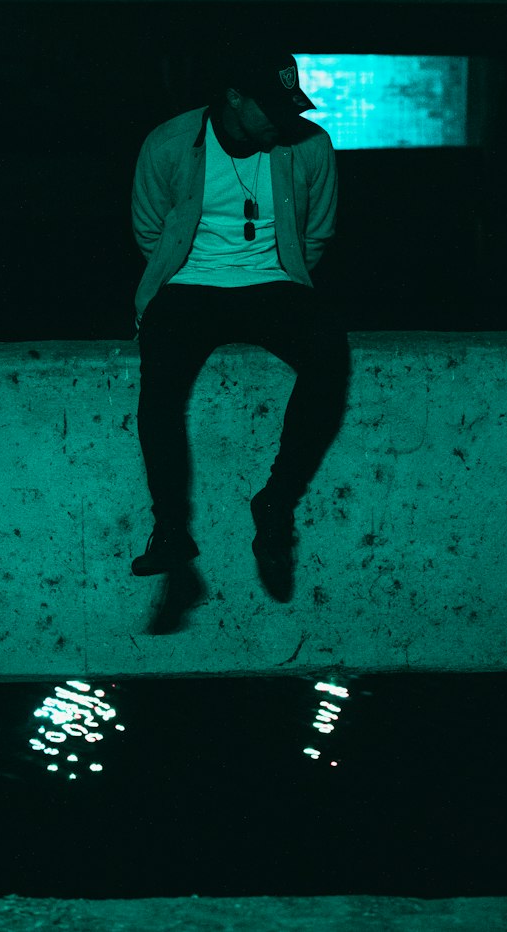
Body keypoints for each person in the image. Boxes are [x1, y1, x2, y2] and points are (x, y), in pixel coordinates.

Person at [129, 45, 351, 601]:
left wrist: (275, 274)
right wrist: (194, 274)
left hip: (273, 284)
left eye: (292, 105)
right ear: (232, 97)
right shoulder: (171, 143)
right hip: (188, 284)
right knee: (159, 382)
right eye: (271, 107)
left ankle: (275, 501)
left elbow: (317, 233)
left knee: (329, 352)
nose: (286, 120)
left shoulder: (310, 146)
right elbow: (149, 231)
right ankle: (171, 529)